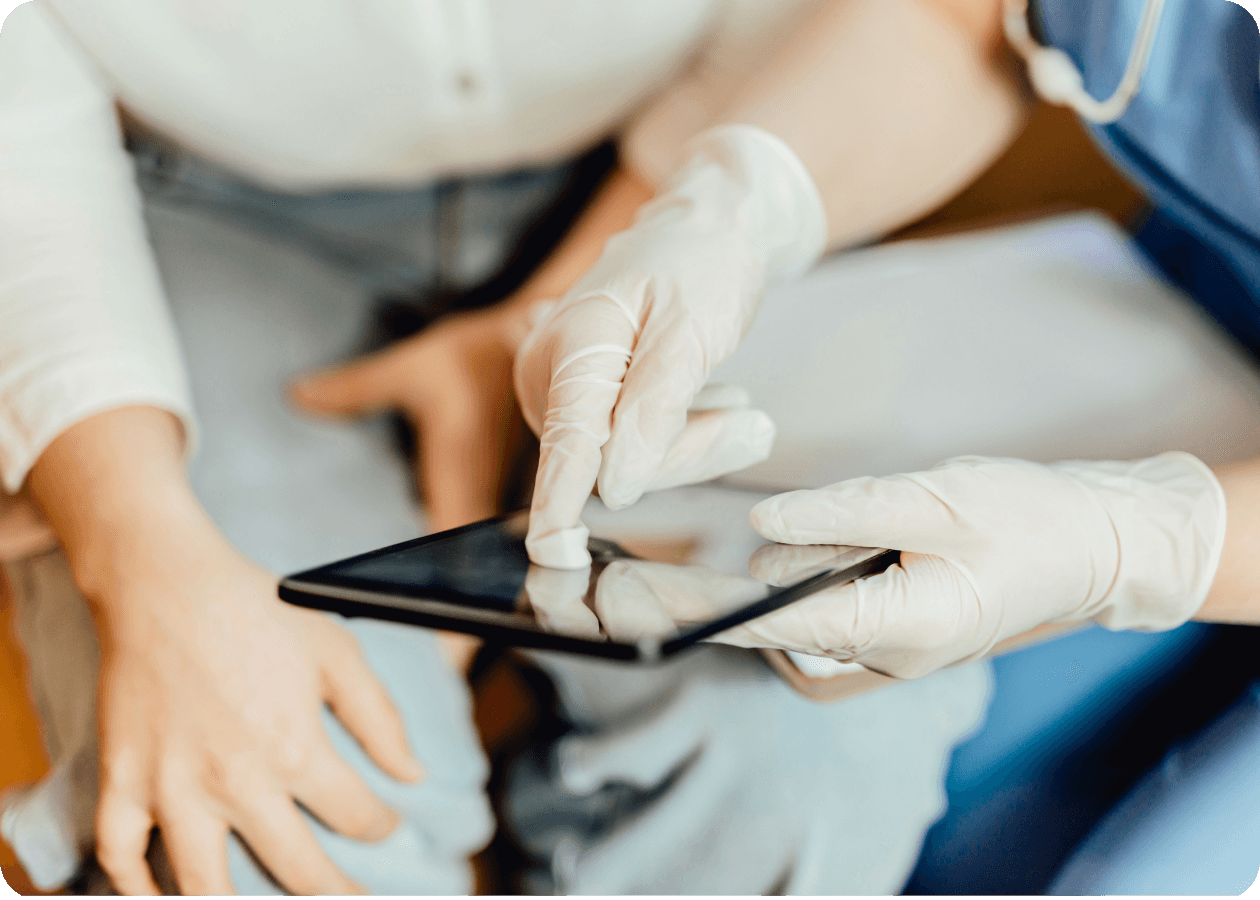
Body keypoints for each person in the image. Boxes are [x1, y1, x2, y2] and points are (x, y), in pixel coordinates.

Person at [0, 0, 1013, 894]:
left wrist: (617, 274)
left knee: (821, 754)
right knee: (272, 822)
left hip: (683, 171)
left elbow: (951, 16)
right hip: (165, 204)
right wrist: (136, 540)